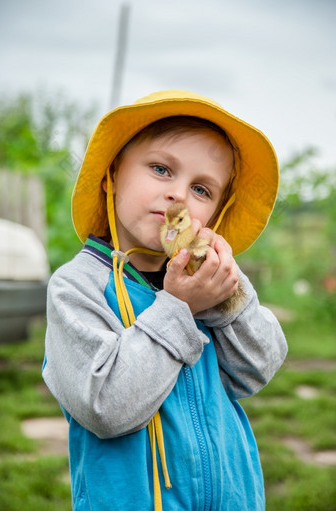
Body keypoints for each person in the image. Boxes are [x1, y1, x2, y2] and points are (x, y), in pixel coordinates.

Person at [43, 90, 288, 511]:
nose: (179, 195)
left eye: (201, 189)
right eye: (160, 169)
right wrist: (177, 308)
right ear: (113, 174)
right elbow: (106, 409)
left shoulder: (203, 281)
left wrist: (228, 293)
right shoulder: (76, 287)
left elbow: (257, 369)